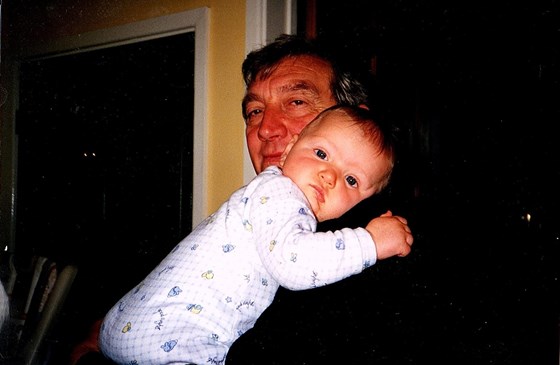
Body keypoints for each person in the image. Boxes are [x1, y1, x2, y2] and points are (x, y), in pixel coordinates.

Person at [70, 34, 412, 364]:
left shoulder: (367, 257)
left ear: (359, 119)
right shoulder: (271, 201)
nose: (265, 129)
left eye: (296, 102)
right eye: (254, 112)